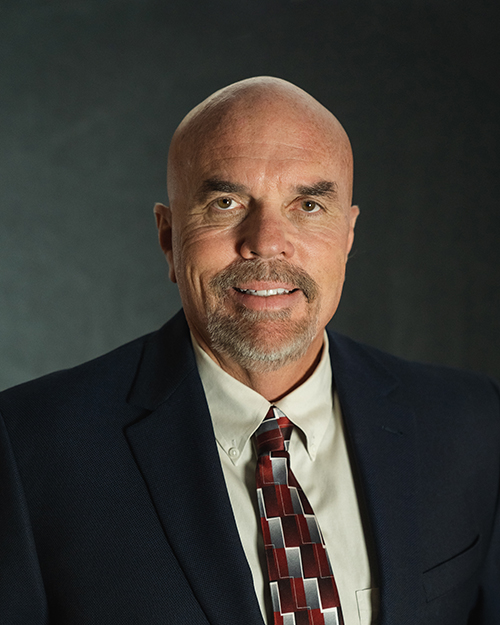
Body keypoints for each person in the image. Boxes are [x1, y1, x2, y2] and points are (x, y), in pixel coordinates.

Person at [0, 77, 499, 625]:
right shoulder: (28, 449)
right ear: (169, 237)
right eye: (226, 201)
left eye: (308, 204)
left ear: (349, 237)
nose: (265, 240)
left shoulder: (472, 424)